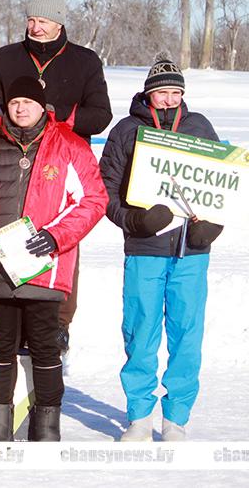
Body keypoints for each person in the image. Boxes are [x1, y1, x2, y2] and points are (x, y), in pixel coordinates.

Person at [0, 76, 107, 441]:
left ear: (42, 107)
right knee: (0, 347)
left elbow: (93, 199)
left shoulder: (69, 145)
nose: (20, 109)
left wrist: (55, 235)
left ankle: (47, 426)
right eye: (14, 102)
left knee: (46, 347)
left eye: (28, 103)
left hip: (43, 266)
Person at [100, 56, 224, 442]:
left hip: (191, 250)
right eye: (162, 92)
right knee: (141, 331)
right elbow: (105, 190)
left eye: (175, 92)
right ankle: (139, 416)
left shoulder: (199, 127)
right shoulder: (127, 130)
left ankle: (176, 419)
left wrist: (212, 226)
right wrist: (134, 221)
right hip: (144, 248)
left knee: (187, 333)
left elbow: (221, 185)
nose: (169, 99)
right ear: (148, 94)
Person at [0, 0, 112, 351]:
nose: (35, 27)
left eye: (42, 21)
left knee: (59, 238)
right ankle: (9, 318)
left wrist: (60, 117)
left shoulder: (84, 61)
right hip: (13, 159)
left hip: (62, 163)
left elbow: (101, 116)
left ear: (59, 22)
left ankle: (58, 322)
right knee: (9, 236)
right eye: (31, 20)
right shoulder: (7, 57)